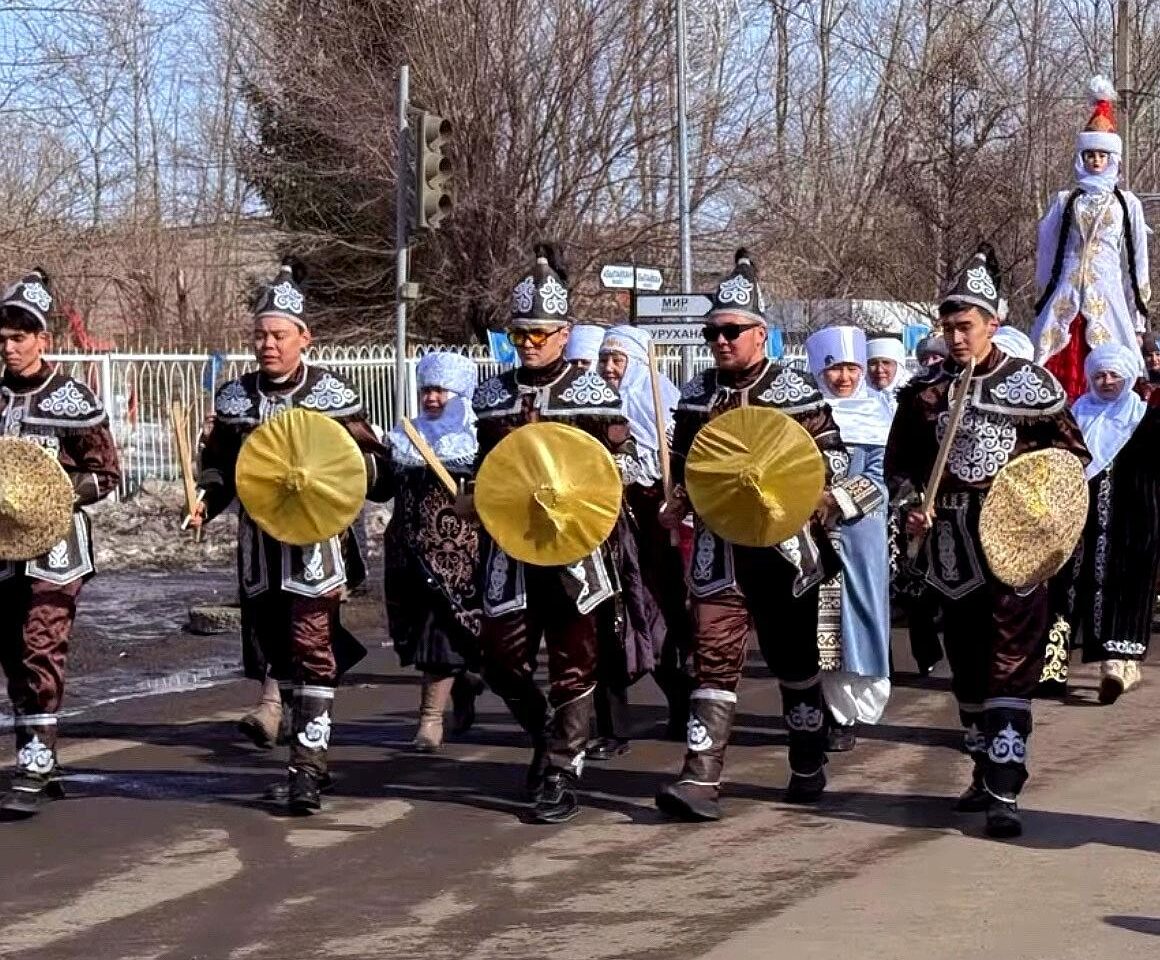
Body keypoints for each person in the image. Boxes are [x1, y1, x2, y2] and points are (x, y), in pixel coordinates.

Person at [886, 242, 1090, 838]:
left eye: (964, 325)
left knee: (1010, 661)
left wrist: (1031, 499)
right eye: (947, 326)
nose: (954, 336)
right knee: (969, 664)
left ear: (991, 325)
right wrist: (909, 508)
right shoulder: (925, 394)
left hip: (1017, 544)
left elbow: (1071, 458)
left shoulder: (1030, 385)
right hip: (952, 545)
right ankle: (982, 768)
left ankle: (1006, 785)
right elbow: (899, 468)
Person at [653, 248, 856, 821]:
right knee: (713, 659)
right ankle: (699, 777)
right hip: (719, 550)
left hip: (784, 551)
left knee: (793, 661)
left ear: (760, 334)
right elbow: (693, 466)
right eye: (712, 331)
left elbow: (834, 461)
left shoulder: (795, 392)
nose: (720, 341)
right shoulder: (696, 394)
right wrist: (679, 502)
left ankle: (809, 759)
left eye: (732, 331)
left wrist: (815, 500)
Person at [190, 260, 390, 814]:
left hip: (315, 546)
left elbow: (374, 466)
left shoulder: (332, 395)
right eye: (259, 334)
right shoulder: (236, 400)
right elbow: (221, 466)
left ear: (305, 339)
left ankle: (309, 762)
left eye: (278, 335)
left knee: (313, 649)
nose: (267, 344)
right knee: (277, 652)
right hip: (259, 550)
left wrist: (350, 474)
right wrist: (206, 500)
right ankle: (300, 746)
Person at [467, 243, 636, 823]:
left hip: (574, 548)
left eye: (541, 333)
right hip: (508, 548)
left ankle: (563, 770)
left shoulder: (591, 395)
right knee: (498, 658)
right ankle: (547, 731)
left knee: (574, 660)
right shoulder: (491, 396)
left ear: (564, 334)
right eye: (521, 335)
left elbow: (624, 464)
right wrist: (471, 493)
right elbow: (485, 465)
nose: (531, 344)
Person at [0, 270, 121, 816]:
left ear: (43, 340)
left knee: (39, 643)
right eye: (2, 338)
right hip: (3, 549)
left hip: (56, 550)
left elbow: (107, 473)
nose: (9, 346)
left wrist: (51, 493)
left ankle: (33, 760)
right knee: (11, 652)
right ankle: (40, 755)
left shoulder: (73, 398)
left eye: (20, 337)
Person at [1043, 343, 1160, 703]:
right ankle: (1053, 666)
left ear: (1128, 377)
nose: (1107, 381)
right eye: (1099, 375)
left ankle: (1119, 664)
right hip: (1082, 520)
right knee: (1069, 586)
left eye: (1114, 375)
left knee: (1125, 587)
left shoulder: (1145, 418)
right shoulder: (1077, 415)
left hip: (1134, 520)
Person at [593, 325, 690, 753]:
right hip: (604, 530)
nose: (610, 369)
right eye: (605, 360)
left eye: (618, 360)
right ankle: (611, 728)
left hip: (652, 532)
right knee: (605, 622)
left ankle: (683, 702)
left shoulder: (663, 402)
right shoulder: (590, 404)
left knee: (661, 619)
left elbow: (678, 465)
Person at [382, 351, 483, 752]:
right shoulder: (405, 436)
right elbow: (382, 485)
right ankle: (467, 680)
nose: (432, 398)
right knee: (419, 635)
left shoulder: (476, 441)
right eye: (426, 390)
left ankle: (429, 720)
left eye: (440, 390)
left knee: (440, 637)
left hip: (460, 557)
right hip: (408, 553)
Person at [1032, 76, 1150, 402]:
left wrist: (1138, 320)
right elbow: (1046, 252)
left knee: (1114, 366)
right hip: (1065, 293)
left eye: (1102, 155)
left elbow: (1137, 261)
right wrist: (1042, 299)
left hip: (1107, 292)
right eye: (1090, 155)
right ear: (1081, 158)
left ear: (1113, 160)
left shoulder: (1127, 203)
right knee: (1049, 361)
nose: (1096, 161)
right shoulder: (1064, 200)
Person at [806, 326, 894, 752]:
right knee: (819, 622)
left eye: (850, 368)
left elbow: (880, 476)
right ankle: (827, 712)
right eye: (835, 369)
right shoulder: (804, 414)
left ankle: (854, 708)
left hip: (860, 533)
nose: (844, 378)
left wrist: (836, 499)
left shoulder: (878, 416)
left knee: (858, 617)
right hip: (811, 531)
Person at [866, 336, 911, 403]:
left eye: (886, 363)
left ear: (899, 367)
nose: (879, 370)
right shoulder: (859, 397)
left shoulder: (913, 395)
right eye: (873, 363)